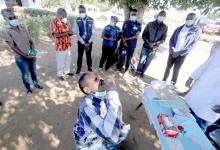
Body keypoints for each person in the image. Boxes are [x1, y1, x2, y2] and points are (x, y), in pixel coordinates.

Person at [74, 72, 130, 149]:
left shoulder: (102, 94)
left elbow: (110, 110)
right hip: (90, 143)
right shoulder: (87, 107)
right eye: (96, 79)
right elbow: (110, 136)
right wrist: (112, 92)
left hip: (100, 135)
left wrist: (118, 120)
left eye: (98, 76)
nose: (101, 79)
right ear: (87, 89)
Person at [0, 8, 43, 95]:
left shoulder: (23, 27)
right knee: (25, 74)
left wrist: (33, 52)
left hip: (31, 54)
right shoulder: (5, 31)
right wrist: (26, 56)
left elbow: (31, 41)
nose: (14, 19)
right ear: (5, 18)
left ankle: (36, 84)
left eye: (14, 16)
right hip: (21, 58)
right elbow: (13, 47)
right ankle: (28, 88)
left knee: (33, 71)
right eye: (11, 18)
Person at [185, 41, 220, 131]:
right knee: (184, 122)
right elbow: (207, 63)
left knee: (196, 132)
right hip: (198, 94)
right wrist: (192, 76)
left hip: (212, 104)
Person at [162, 13, 202, 85]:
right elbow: (171, 40)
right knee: (168, 67)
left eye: (190, 19)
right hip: (172, 52)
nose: (188, 20)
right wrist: (173, 50)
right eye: (187, 18)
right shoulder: (179, 28)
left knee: (176, 69)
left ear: (194, 20)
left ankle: (172, 84)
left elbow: (193, 44)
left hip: (182, 54)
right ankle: (163, 81)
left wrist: (179, 53)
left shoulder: (197, 30)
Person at [135, 10, 168, 77]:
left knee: (148, 62)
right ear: (158, 15)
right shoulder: (150, 24)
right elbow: (144, 35)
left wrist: (156, 43)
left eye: (163, 16)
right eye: (160, 15)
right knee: (142, 59)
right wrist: (148, 42)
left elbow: (163, 39)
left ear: (164, 17)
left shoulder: (165, 27)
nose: (161, 17)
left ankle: (142, 72)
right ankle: (138, 71)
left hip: (154, 48)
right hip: (146, 46)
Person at [50, 8, 74, 81]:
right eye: (63, 15)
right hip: (60, 46)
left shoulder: (65, 22)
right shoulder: (54, 22)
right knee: (60, 61)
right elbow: (56, 35)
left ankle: (66, 72)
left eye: (65, 15)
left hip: (67, 45)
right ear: (59, 14)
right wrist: (67, 33)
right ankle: (60, 74)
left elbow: (69, 32)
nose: (64, 16)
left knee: (68, 60)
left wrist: (70, 33)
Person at [116, 8, 141, 74]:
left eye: (134, 14)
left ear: (136, 15)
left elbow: (136, 36)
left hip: (131, 45)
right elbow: (122, 32)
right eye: (132, 14)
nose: (133, 15)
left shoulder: (139, 24)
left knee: (129, 58)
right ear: (130, 14)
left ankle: (127, 70)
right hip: (123, 43)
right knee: (121, 56)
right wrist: (123, 41)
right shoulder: (126, 22)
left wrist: (126, 39)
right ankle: (118, 68)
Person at [75, 5, 95, 74]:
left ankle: (89, 67)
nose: (81, 12)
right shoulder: (77, 20)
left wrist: (89, 42)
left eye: (82, 11)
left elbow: (93, 32)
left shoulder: (91, 19)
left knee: (89, 55)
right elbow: (77, 33)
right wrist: (83, 42)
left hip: (89, 42)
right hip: (81, 42)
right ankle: (79, 68)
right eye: (80, 11)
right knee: (80, 56)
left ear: (85, 11)